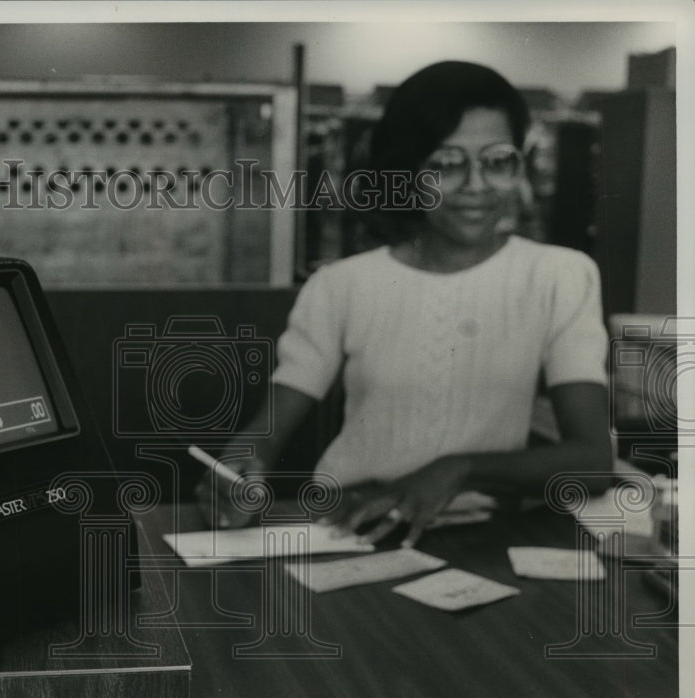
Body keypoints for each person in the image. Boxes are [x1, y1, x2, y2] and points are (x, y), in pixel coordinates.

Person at [197, 60, 611, 546]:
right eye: (445, 164)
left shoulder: (560, 275)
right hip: (351, 524)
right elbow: (263, 439)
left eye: (498, 161)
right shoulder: (341, 285)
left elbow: (591, 462)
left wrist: (458, 469)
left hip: (479, 537)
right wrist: (237, 473)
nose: (476, 185)